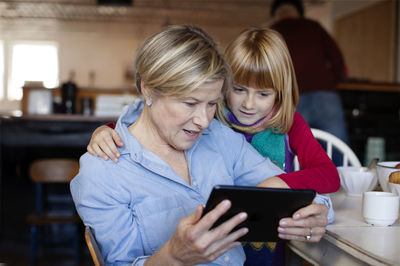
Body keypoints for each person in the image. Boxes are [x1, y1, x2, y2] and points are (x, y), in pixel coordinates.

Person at [71, 25, 332, 265]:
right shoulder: (102, 172)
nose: (204, 121)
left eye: (211, 104)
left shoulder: (221, 138)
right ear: (148, 89)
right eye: (190, 103)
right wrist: (173, 255)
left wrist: (318, 212)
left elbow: (292, 194)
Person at [270, 0, 349, 165]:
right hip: (325, 94)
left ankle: (301, 184)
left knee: (296, 149)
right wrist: (334, 80)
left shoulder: (273, 31)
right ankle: (342, 184)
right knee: (338, 147)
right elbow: (337, 58)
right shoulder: (313, 26)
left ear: (276, 15)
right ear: (298, 13)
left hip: (292, 96)